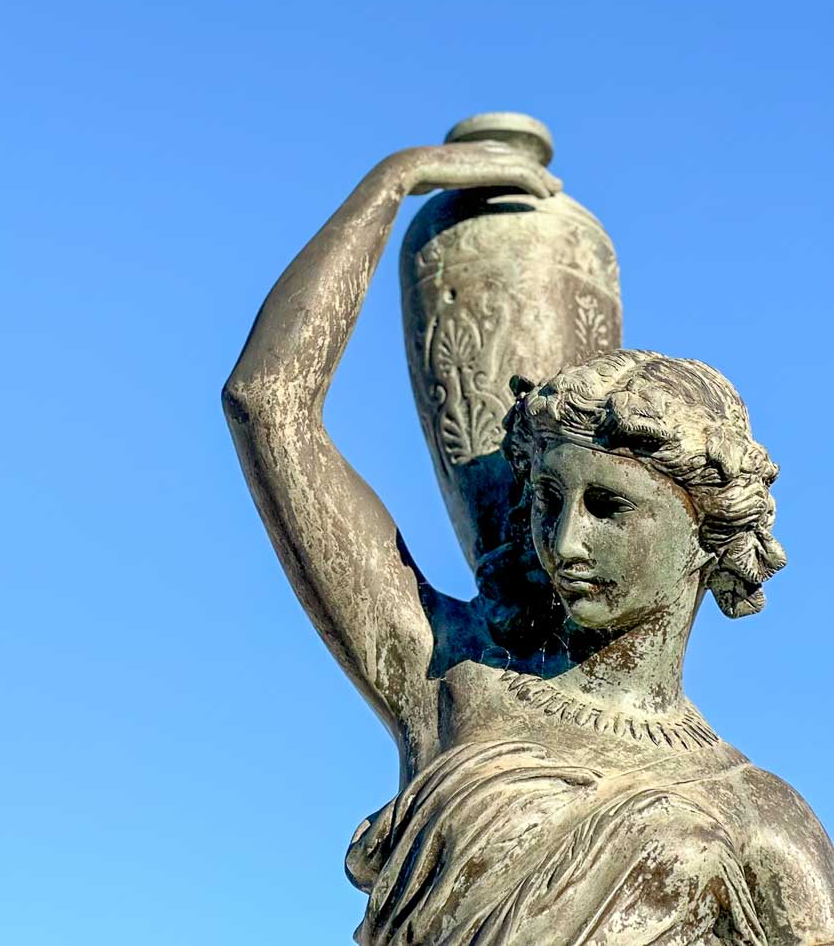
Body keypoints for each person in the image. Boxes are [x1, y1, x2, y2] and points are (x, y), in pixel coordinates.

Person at [222, 140, 834, 946]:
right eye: (547, 500)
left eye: (607, 505)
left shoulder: (762, 819)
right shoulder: (449, 676)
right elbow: (266, 403)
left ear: (705, 533)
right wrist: (391, 185)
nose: (563, 540)